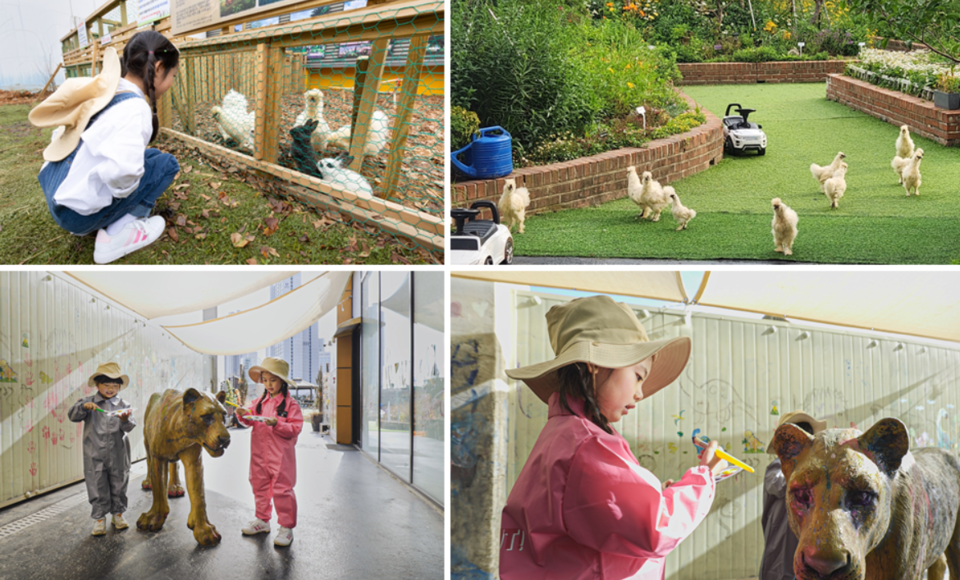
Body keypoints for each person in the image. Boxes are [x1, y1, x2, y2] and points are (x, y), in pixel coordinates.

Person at [500, 295, 726, 579]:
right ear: (595, 364)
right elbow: (657, 529)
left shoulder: (561, 435)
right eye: (639, 375)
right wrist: (702, 478)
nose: (640, 393)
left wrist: (658, 495)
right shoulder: (588, 444)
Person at [29, 30, 181, 264]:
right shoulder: (135, 109)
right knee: (166, 165)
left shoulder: (107, 89)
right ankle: (118, 233)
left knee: (151, 156)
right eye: (173, 75)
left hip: (59, 196)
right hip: (75, 216)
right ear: (158, 68)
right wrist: (124, 194)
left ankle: (93, 216)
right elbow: (123, 172)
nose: (171, 83)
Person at [235, 357, 303, 547]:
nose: (268, 384)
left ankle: (286, 528)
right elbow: (248, 419)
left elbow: (295, 428)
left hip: (281, 457)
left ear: (282, 381)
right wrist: (242, 414)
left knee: (282, 489)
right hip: (258, 455)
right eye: (265, 380)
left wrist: (278, 424)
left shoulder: (291, 405)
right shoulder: (259, 402)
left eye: (273, 380)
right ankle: (262, 521)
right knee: (259, 486)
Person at [67, 362, 136, 536]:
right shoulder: (88, 403)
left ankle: (118, 515)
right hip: (94, 453)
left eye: (115, 385)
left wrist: (125, 419)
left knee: (119, 483)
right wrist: (82, 407)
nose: (111, 389)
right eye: (107, 385)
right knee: (97, 483)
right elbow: (73, 416)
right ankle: (99, 519)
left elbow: (128, 428)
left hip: (118, 454)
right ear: (97, 385)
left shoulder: (124, 404)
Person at [760, 411, 827, 580]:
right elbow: (782, 486)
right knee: (783, 570)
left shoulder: (819, 469)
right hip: (784, 537)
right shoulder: (776, 467)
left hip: (809, 537)